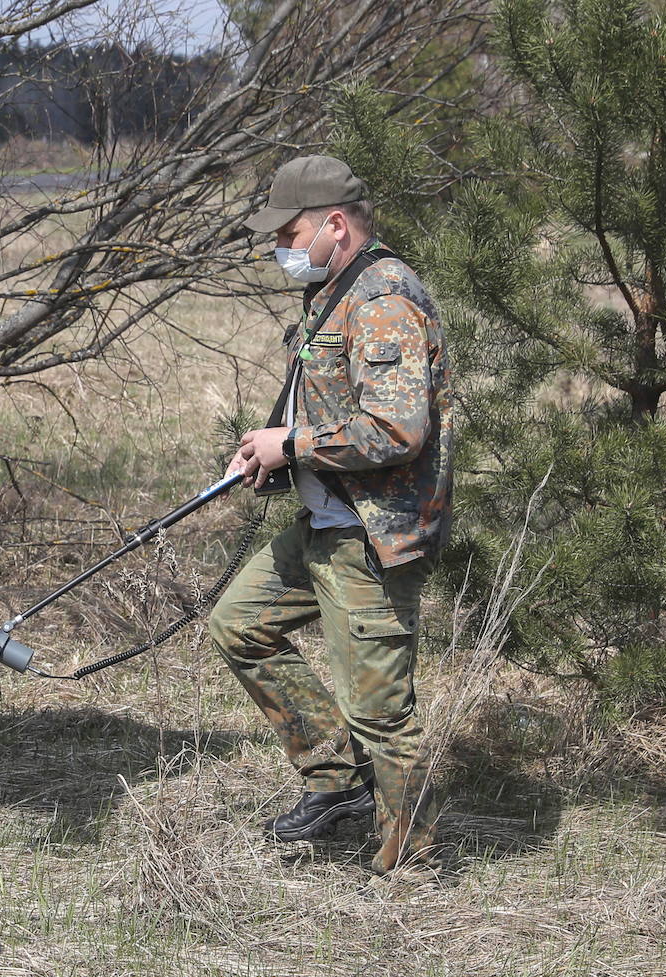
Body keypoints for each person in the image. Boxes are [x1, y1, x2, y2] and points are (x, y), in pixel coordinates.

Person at [210, 155, 453, 875]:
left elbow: (399, 428)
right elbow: (325, 399)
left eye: (290, 231)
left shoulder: (383, 298)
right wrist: (269, 450)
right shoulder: (331, 289)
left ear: (335, 224)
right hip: (326, 518)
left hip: (370, 537)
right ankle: (336, 779)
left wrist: (293, 444)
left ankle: (408, 864)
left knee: (380, 710)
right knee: (239, 624)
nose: (280, 248)